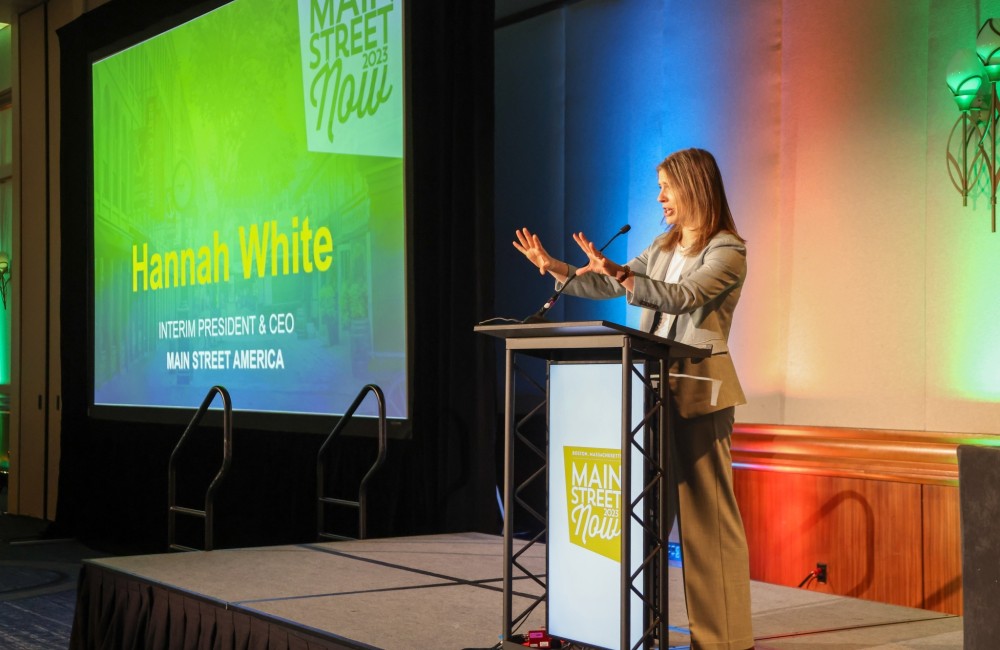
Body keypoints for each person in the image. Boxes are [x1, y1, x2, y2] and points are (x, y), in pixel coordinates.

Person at [513, 147, 754, 650]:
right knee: (642, 528)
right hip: (651, 395)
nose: (660, 196)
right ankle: (637, 632)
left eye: (667, 186)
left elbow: (684, 296)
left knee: (707, 528)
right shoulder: (662, 246)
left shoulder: (727, 250)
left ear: (694, 187)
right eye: (659, 187)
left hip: (701, 396)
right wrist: (555, 265)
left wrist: (625, 277)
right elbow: (610, 282)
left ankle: (723, 642)